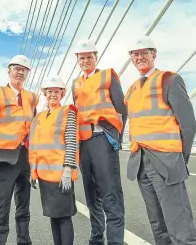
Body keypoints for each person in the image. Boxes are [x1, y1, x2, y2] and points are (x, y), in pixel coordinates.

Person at [124, 36, 196, 245]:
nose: (139, 57)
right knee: (158, 224)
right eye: (135, 54)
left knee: (179, 224)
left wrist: (180, 158)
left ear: (154, 54)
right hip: (140, 162)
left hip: (166, 161)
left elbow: (189, 125)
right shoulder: (131, 89)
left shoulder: (169, 80)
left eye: (144, 53)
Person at [72, 39, 127, 245]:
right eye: (81, 57)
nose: (85, 60)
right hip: (84, 142)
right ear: (77, 60)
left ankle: (115, 241)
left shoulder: (107, 76)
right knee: (91, 193)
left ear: (96, 57)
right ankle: (96, 239)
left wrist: (115, 137)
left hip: (103, 138)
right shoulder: (76, 83)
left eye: (89, 57)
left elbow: (122, 108)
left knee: (110, 193)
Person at [0, 55, 39, 245]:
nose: (20, 72)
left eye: (24, 70)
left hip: (25, 158)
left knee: (23, 207)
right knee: (1, 206)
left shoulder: (31, 98)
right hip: (4, 159)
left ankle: (24, 241)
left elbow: (35, 126)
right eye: (17, 68)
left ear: (27, 73)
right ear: (9, 70)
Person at [29, 75, 79, 245]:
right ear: (44, 93)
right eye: (49, 91)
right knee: (53, 216)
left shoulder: (68, 111)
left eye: (56, 91)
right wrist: (33, 171)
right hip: (44, 175)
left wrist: (67, 169)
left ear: (62, 93)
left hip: (61, 175)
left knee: (64, 218)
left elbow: (72, 141)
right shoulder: (39, 117)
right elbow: (35, 145)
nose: (52, 94)